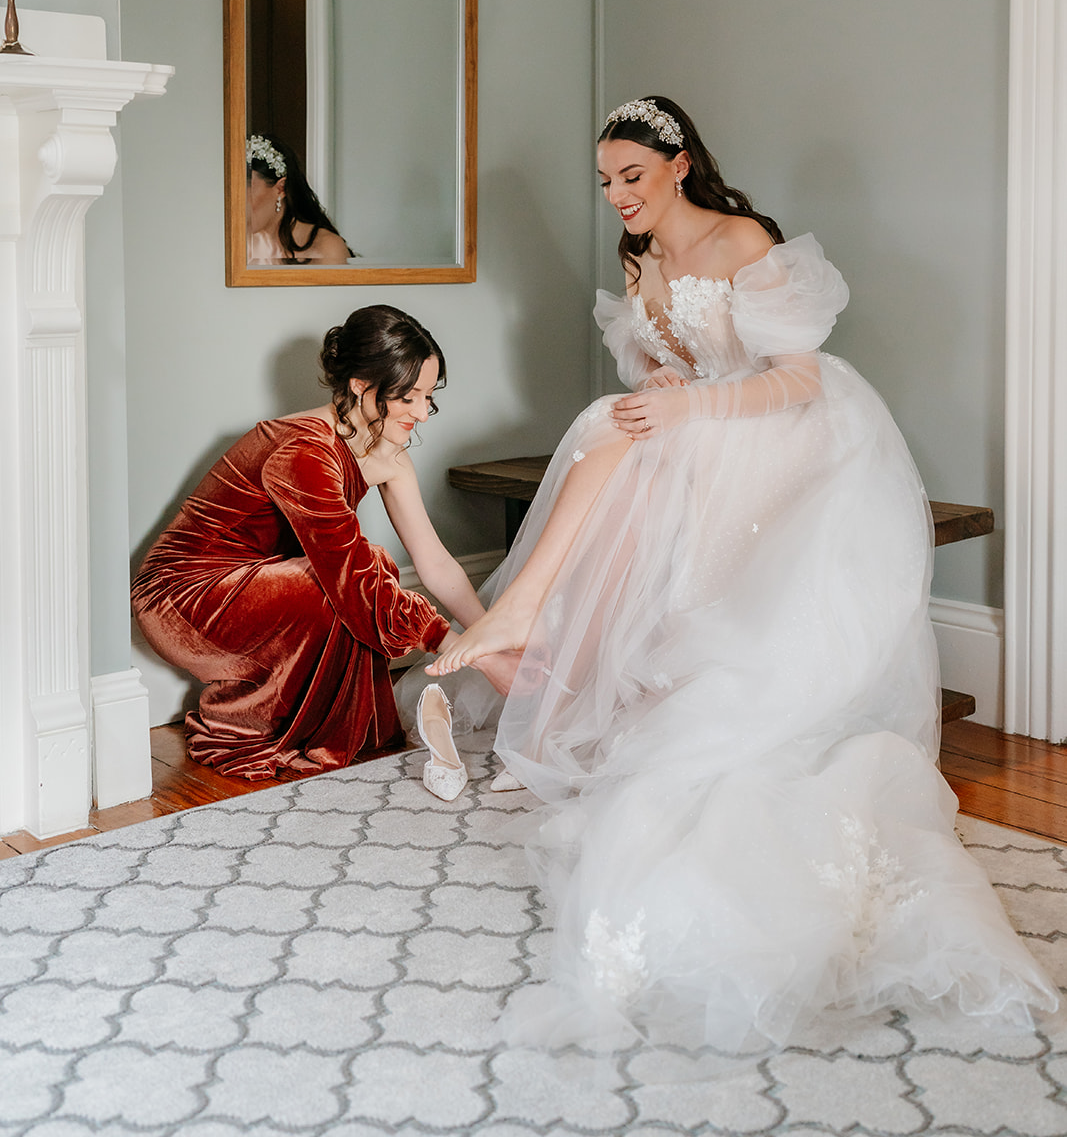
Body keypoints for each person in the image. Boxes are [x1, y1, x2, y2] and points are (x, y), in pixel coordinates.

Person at [429, 95, 1057, 1053]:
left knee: (617, 438)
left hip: (797, 438)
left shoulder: (742, 239)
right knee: (613, 425)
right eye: (604, 184)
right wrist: (665, 394)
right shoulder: (640, 263)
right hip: (713, 431)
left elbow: (797, 380)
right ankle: (542, 647)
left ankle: (523, 623)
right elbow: (659, 370)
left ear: (678, 164)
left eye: (631, 178)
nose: (617, 199)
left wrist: (682, 413)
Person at [133, 305, 515, 780]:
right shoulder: (303, 451)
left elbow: (435, 563)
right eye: (408, 397)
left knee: (361, 572)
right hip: (181, 597)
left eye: (428, 397)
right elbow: (350, 574)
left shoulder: (390, 458)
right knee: (355, 573)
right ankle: (238, 719)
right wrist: (463, 651)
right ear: (360, 384)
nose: (422, 413)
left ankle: (319, 725)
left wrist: (493, 642)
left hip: (261, 583)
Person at [246, 132, 352, 264]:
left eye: (246, 190)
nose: (237, 204)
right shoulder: (238, 249)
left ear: (281, 188)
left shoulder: (327, 249)